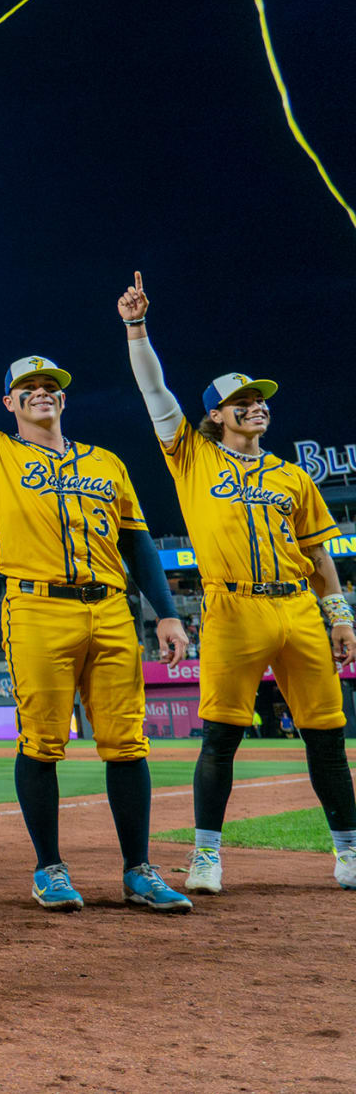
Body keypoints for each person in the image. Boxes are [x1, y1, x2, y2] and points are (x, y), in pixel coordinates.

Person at [0, 263, 191, 917]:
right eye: (27, 387)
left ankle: (139, 871)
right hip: (35, 606)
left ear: (63, 398)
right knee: (41, 742)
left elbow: (139, 545)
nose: (41, 392)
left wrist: (168, 615)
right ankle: (49, 869)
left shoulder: (106, 462)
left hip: (111, 611)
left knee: (127, 744)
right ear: (8, 401)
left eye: (50, 386)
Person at [117, 273, 356, 891]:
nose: (256, 405)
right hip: (233, 609)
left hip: (300, 608)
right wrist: (136, 328)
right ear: (215, 416)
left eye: (261, 399)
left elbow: (321, 557)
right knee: (221, 737)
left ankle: (349, 851)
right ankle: (205, 856)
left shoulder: (293, 477)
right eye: (241, 401)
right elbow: (154, 390)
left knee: (328, 739)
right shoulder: (192, 455)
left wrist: (341, 616)